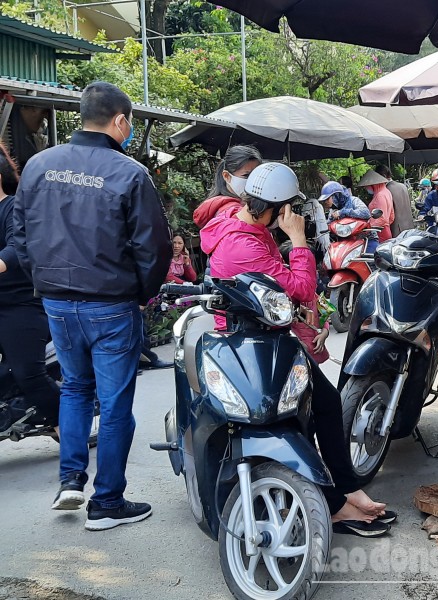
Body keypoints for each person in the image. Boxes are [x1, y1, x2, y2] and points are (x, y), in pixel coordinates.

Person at [200, 162, 393, 536]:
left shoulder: (242, 227)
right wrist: (300, 241)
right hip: (255, 340)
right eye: (290, 208)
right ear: (278, 208)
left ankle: (344, 490)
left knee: (325, 402)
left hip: (272, 331)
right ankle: (335, 503)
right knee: (311, 405)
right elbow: (300, 288)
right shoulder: (244, 242)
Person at [13, 81, 172, 530]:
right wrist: (141, 294)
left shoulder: (39, 166)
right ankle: (106, 503)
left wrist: (42, 281)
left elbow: (20, 236)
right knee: (116, 403)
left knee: (75, 389)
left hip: (57, 305)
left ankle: (69, 482)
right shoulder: (129, 173)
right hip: (111, 304)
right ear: (120, 121)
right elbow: (154, 248)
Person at [0, 143, 61, 430]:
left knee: (28, 373)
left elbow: (15, 247)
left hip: (20, 304)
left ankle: (68, 422)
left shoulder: (11, 207)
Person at [193, 145, 262, 228]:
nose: (252, 180)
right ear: (226, 176)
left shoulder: (219, 206)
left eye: (257, 175)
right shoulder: (232, 212)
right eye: (246, 175)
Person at [374, 164, 414, 236]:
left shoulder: (386, 191)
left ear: (383, 176)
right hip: (409, 226)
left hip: (397, 229)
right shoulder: (403, 186)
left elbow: (388, 213)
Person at [357, 170, 394, 242]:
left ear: (373, 185)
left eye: (367, 186)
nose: (366, 188)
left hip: (379, 233)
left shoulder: (380, 196)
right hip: (385, 230)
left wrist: (367, 226)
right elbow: (391, 216)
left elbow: (381, 218)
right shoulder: (386, 191)